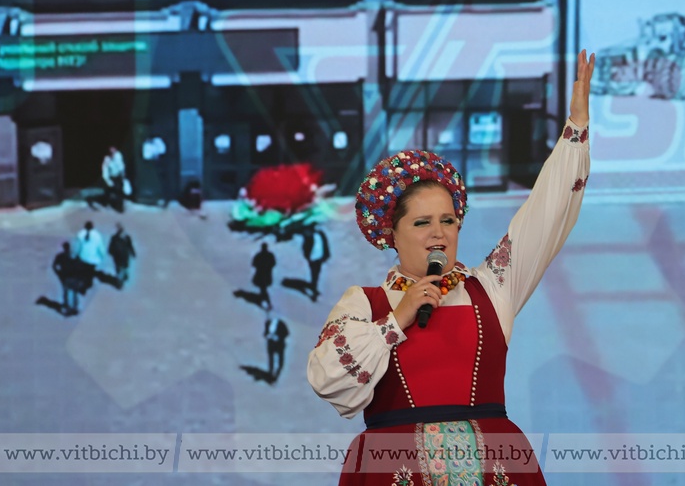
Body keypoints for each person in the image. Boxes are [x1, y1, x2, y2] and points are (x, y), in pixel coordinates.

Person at [307, 49, 594, 485]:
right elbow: (328, 380)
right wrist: (397, 320)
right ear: (392, 232)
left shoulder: (492, 286)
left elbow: (545, 214)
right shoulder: (365, 304)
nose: (438, 233)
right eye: (422, 223)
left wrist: (575, 129)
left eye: (448, 221)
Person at [299, 222, 331, 302]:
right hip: (312, 259)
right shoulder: (309, 236)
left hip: (319, 258)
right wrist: (307, 257)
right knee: (314, 273)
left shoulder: (320, 234)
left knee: (316, 273)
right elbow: (305, 246)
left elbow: (325, 244)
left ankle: (314, 287)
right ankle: (314, 290)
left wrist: (326, 255)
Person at [264, 307, 289, 382]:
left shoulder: (281, 324)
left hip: (279, 345)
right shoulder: (268, 323)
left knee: (280, 363)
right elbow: (265, 333)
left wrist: (278, 337)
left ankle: (276, 375)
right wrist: (268, 336)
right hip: (271, 345)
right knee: (271, 361)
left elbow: (286, 333)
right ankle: (270, 375)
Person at [108, 223, 137, 287]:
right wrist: (133, 253)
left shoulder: (114, 238)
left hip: (118, 256)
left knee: (119, 268)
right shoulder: (126, 237)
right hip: (123, 256)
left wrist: (110, 252)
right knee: (122, 267)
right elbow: (130, 246)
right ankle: (122, 278)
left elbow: (111, 247)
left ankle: (120, 279)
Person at [52, 241, 76, 315]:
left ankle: (70, 306)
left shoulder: (70, 256)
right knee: (69, 291)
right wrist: (58, 273)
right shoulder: (68, 256)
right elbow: (54, 266)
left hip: (69, 276)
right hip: (66, 276)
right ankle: (69, 306)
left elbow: (54, 266)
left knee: (70, 291)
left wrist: (58, 273)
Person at [102, 145, 127, 212]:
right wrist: (108, 180)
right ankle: (108, 202)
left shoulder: (118, 155)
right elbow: (105, 170)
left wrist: (123, 175)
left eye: (114, 149)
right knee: (112, 191)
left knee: (120, 191)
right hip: (112, 177)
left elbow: (121, 165)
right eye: (111, 149)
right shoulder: (107, 159)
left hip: (119, 176)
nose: (113, 150)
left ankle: (120, 207)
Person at [251, 242, 276, 309]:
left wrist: (260, 266)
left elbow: (254, 264)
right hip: (266, 275)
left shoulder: (259, 255)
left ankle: (267, 303)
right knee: (263, 288)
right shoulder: (270, 255)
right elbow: (273, 263)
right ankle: (265, 301)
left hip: (261, 275)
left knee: (263, 288)